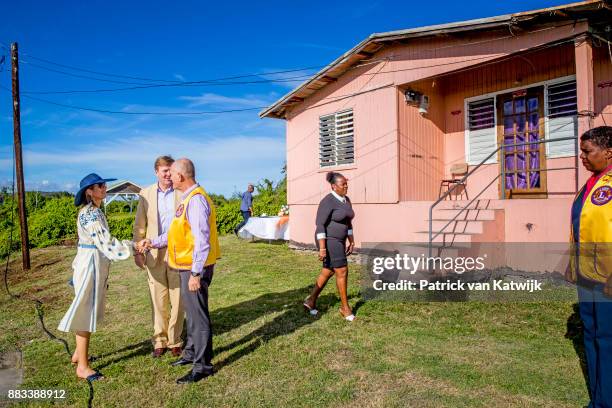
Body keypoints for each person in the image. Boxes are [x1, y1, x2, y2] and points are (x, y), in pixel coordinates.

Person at [139, 158, 220, 384]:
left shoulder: (195, 201)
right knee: (192, 317)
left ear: (181, 176)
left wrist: (195, 273)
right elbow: (174, 234)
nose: (169, 177)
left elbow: (202, 241)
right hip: (186, 267)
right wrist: (152, 242)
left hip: (194, 268)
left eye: (172, 174)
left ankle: (202, 366)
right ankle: (192, 353)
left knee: (198, 317)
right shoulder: (186, 200)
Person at [58, 173, 132, 381]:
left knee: (87, 310)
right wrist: (133, 247)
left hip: (92, 262)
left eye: (104, 185)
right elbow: (106, 242)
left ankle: (78, 354)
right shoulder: (90, 214)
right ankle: (82, 366)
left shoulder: (95, 211)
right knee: (85, 312)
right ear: (89, 191)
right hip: (89, 264)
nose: (104, 188)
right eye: (100, 185)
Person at [567, 126, 612, 407]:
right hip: (588, 276)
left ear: (608, 151)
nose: (581, 157)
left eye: (587, 151)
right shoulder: (592, 182)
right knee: (594, 336)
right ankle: (599, 400)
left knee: (608, 340)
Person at [133, 156, 184, 358]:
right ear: (156, 172)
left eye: (170, 171)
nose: (168, 175)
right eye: (164, 171)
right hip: (153, 253)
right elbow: (140, 226)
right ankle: (159, 340)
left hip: (178, 251)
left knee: (178, 298)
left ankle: (175, 340)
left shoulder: (181, 191)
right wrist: (138, 252)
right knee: (158, 298)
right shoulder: (145, 194)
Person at [303, 172, 356, 321]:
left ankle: (310, 301)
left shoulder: (346, 200)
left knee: (329, 270)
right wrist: (322, 248)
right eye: (343, 184)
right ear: (334, 186)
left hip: (340, 240)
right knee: (342, 270)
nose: (346, 186)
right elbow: (320, 224)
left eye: (346, 183)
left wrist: (351, 240)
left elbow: (348, 222)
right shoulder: (327, 201)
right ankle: (345, 308)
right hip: (328, 239)